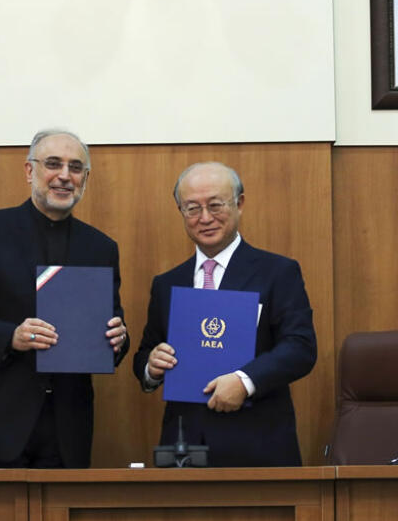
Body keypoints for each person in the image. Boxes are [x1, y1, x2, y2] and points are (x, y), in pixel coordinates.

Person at [0, 129, 130, 468]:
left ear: (86, 177)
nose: (65, 176)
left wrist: (118, 339)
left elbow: (112, 328)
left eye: (76, 167)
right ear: (29, 171)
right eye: (53, 164)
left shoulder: (100, 247)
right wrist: (11, 336)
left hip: (67, 429)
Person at [133, 162, 316, 466]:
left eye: (216, 205)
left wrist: (245, 381)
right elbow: (144, 354)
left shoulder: (277, 272)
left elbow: (300, 347)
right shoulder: (167, 284)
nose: (205, 218)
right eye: (192, 208)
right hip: (184, 449)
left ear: (239, 203)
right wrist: (152, 367)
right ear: (180, 211)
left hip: (257, 445)